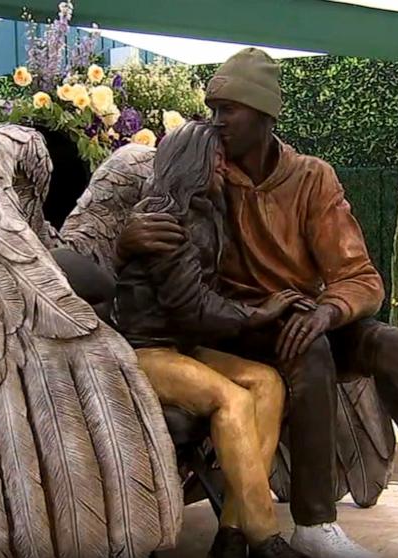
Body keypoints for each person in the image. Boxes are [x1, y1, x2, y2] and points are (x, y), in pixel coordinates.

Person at [116, 48, 398, 558]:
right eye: (213, 108)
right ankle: (314, 525)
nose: (217, 121)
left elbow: (360, 277)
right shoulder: (207, 174)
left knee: (389, 343)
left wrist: (328, 310)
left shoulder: (312, 178)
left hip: (297, 318)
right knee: (309, 350)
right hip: (229, 328)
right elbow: (160, 225)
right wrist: (127, 239)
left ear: (264, 114)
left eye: (229, 109)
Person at [113, 120, 309, 558]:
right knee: (232, 400)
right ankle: (266, 538)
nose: (223, 163)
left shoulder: (203, 212)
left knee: (268, 382)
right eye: (214, 156)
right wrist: (261, 313)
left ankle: (232, 532)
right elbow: (193, 306)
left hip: (181, 346)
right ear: (191, 160)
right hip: (144, 351)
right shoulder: (165, 217)